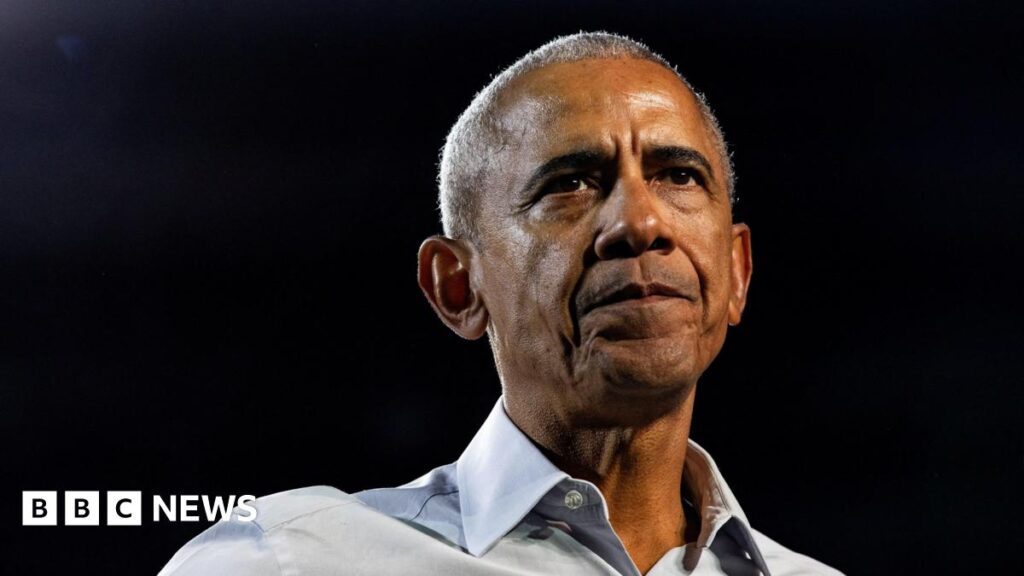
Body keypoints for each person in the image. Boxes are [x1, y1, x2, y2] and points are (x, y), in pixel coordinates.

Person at [158, 31, 843, 576]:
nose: (641, 222)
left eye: (678, 176)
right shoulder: (289, 561)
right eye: (571, 183)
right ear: (458, 287)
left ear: (735, 271)